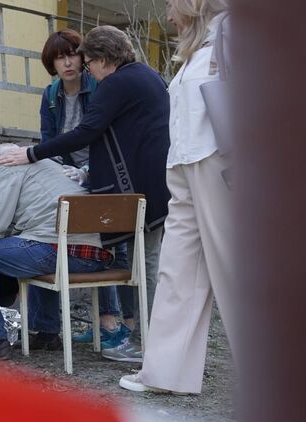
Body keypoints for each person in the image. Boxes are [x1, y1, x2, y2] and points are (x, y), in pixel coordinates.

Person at [0, 25, 171, 362]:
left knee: (142, 265)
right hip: (154, 184)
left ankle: (146, 342)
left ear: (103, 59)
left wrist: (31, 154)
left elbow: (86, 132)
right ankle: (141, 337)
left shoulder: (115, 84)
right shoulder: (147, 76)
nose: (86, 69)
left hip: (136, 190)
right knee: (145, 262)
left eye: (88, 62)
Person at [119, 0, 236, 394]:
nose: (168, 14)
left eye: (171, 3)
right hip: (184, 165)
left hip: (217, 162)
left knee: (235, 273)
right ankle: (165, 373)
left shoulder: (233, 33)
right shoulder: (198, 48)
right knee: (176, 272)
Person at [0, 144, 114, 359]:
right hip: (98, 257)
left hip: (58, 250)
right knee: (35, 245)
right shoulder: (54, 166)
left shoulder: (6, 165)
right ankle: (46, 334)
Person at [30, 28, 124, 349]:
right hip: (66, 175)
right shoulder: (50, 95)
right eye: (59, 58)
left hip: (101, 173)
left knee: (104, 243)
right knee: (43, 234)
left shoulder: (98, 87)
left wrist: (87, 173)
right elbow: (48, 142)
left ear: (83, 57)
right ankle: (47, 328)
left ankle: (111, 322)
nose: (67, 63)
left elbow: (107, 137)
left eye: (72, 54)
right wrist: (56, 175)